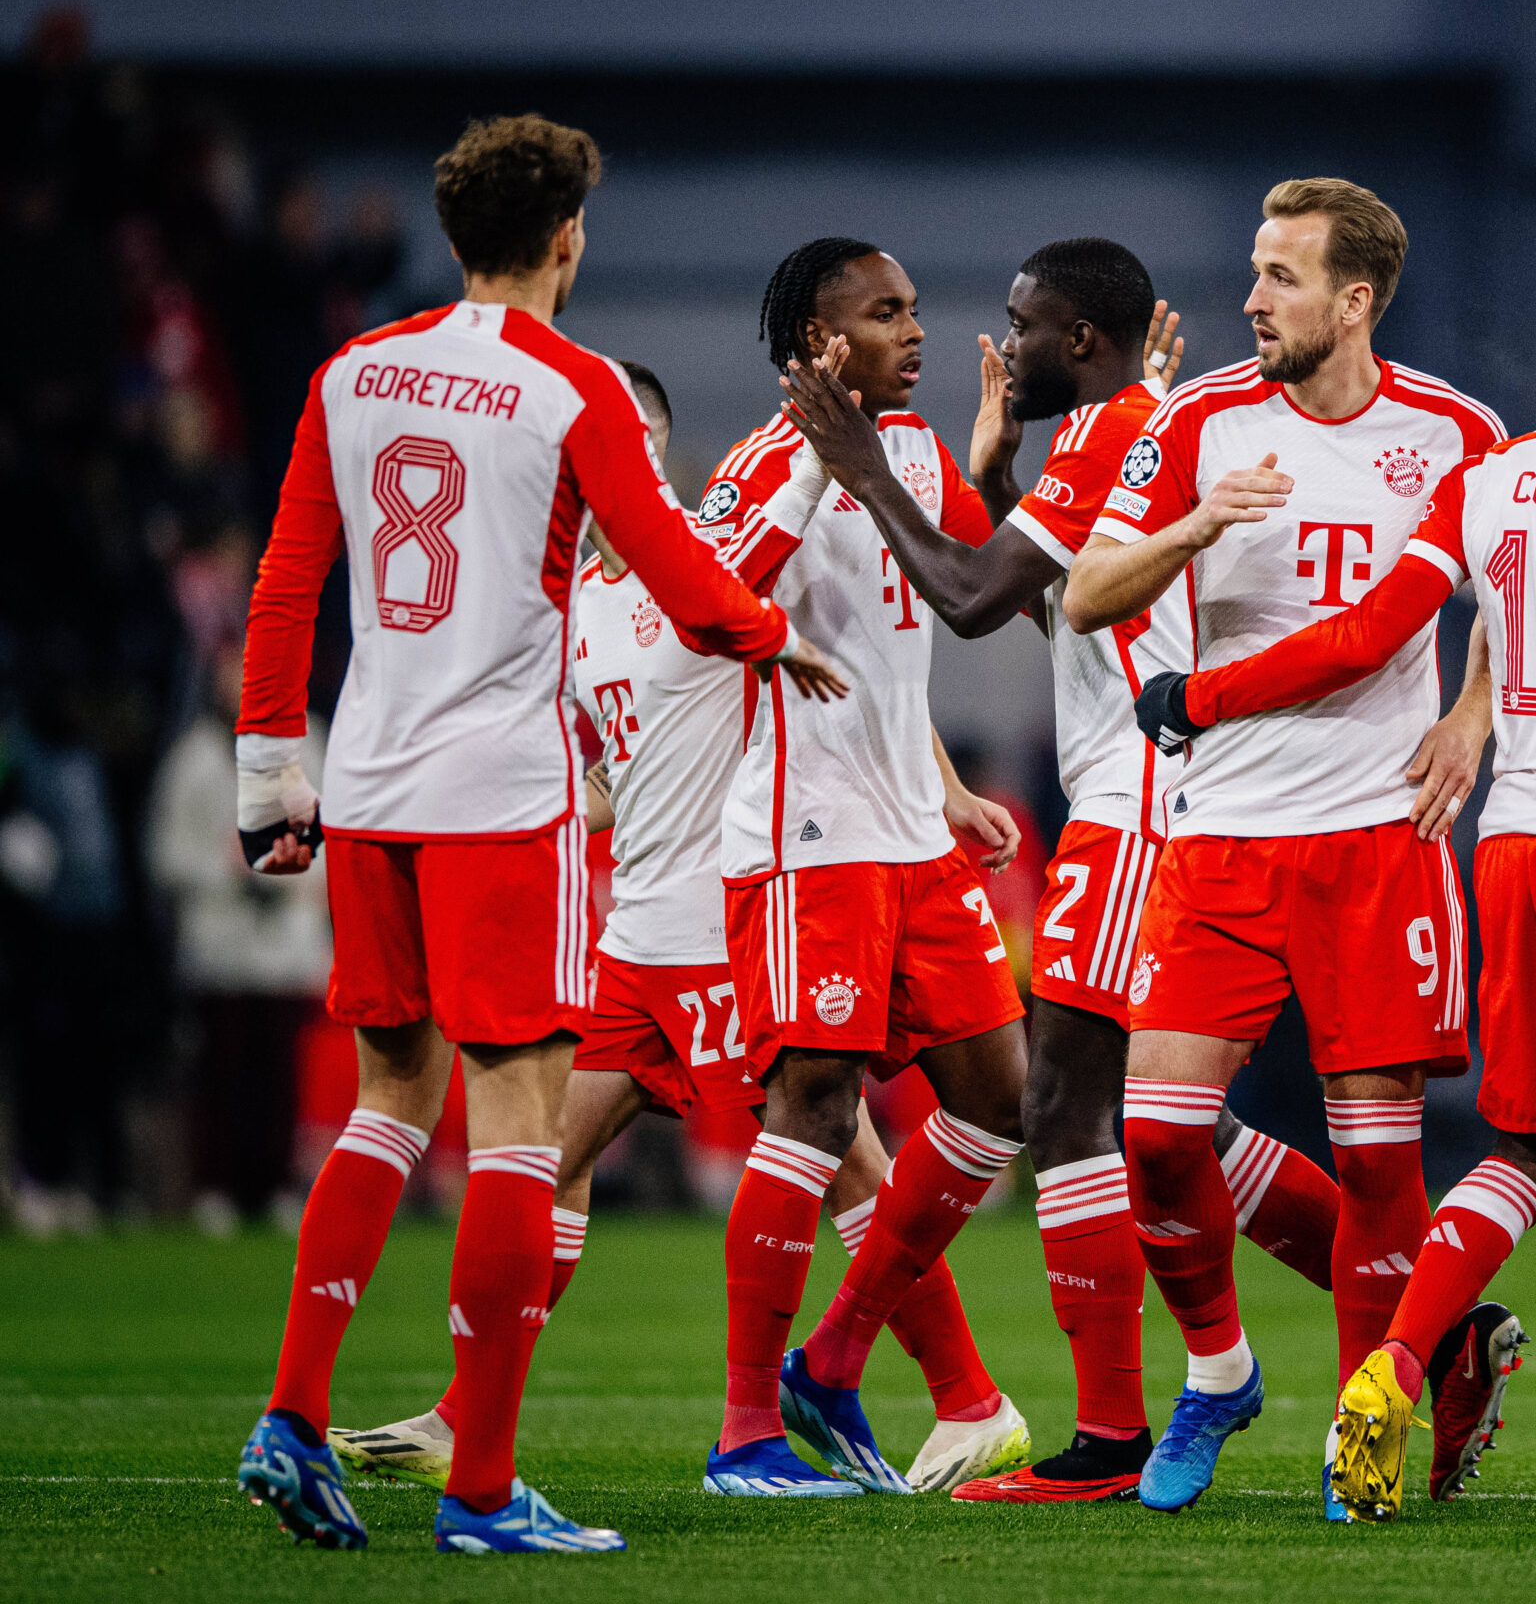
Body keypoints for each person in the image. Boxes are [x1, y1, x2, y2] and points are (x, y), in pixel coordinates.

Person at [230, 115, 842, 1555]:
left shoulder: (352, 372)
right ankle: (484, 1486)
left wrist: (273, 781)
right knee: (514, 1124)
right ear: (570, 234)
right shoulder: (572, 390)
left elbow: (284, 582)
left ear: (452, 238)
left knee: (391, 1097)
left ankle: (294, 1411)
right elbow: (681, 571)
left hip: (368, 786)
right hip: (505, 798)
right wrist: (767, 632)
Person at [1135, 234, 1536, 1528]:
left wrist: (1199, 693)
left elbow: (1370, 632)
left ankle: (1388, 1367)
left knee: (1529, 1146)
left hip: (1512, 848)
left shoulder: (1495, 475)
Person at [320, 364, 1019, 1498]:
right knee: (547, 1163)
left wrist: (933, 785)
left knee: (835, 1156)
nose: (617, 456)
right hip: (630, 941)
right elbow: (608, 777)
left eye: (639, 435)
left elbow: (852, 670)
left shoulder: (704, 563)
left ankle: (951, 1402)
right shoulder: (573, 609)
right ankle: (469, 1410)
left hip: (720, 928)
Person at [775, 237, 1354, 1503]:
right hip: (1146, 795)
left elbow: (975, 599)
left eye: (1022, 321)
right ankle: (1427, 1319)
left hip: (1150, 802)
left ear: (1079, 341)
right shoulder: (1123, 432)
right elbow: (1054, 604)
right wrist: (984, 478)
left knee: (1069, 1114)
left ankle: (1101, 1433)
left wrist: (866, 470)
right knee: (1144, 1121)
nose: (1003, 340)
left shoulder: (1117, 433)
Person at [1058, 178, 1507, 1515]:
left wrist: (1475, 704)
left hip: (1381, 832)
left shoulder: (1457, 432)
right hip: (1227, 833)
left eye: (1282, 277)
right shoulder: (1196, 422)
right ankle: (1220, 1369)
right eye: (1255, 270)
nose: (1251, 300)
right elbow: (1086, 591)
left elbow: (1504, 592)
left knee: (1379, 1160)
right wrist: (1198, 526)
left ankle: (1364, 1423)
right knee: (1157, 1130)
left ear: (1355, 299)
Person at [697, 238, 1033, 1501]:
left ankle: (830, 1363)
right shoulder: (758, 462)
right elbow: (710, 606)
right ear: (820, 344)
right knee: (816, 1112)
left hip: (910, 834)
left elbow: (969, 592)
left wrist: (945, 790)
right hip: (806, 839)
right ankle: (744, 1435)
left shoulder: (911, 449)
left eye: (910, 310)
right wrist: (808, 470)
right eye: (885, 314)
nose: (917, 331)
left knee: (1001, 1098)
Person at [148, 638, 331, 1235]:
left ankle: (276, 1184)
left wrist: (288, 865)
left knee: (279, 1076)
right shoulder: (197, 757)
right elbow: (167, 854)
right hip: (220, 945)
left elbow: (339, 832)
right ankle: (217, 1187)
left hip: (285, 945)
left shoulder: (310, 742)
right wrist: (228, 871)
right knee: (222, 1074)